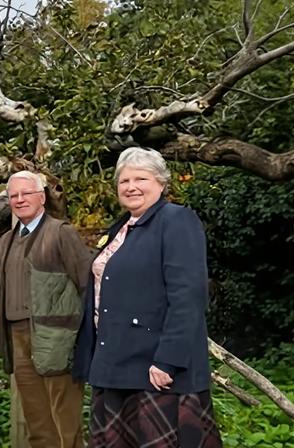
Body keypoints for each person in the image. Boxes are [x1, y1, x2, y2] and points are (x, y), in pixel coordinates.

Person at [72, 147, 223, 447]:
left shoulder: (176, 220)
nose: (131, 187)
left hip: (156, 370)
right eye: (124, 181)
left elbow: (188, 297)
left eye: (141, 178)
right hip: (115, 366)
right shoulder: (119, 229)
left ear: (161, 183)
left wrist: (168, 361)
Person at [0, 170, 93, 448]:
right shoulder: (7, 241)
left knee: (66, 422)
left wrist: (84, 336)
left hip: (56, 339)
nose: (20, 199)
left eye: (26, 193)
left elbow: (87, 284)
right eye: (14, 195)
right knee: (37, 422)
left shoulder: (61, 233)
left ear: (41, 197)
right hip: (18, 336)